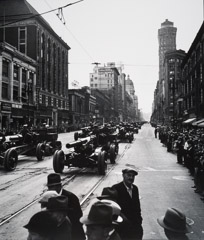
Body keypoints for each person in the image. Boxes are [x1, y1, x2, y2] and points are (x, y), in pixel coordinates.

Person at [47, 173, 85, 240]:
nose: (50, 189)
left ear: (59, 186)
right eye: (49, 187)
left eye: (52, 187)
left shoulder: (71, 197)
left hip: (74, 233)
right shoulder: (48, 197)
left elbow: (78, 216)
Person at [112, 167, 143, 240]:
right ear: (123, 176)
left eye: (133, 176)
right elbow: (113, 208)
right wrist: (122, 218)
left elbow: (137, 206)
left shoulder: (135, 188)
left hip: (135, 224)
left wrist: (139, 219)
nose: (131, 178)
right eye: (129, 175)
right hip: (122, 226)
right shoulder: (116, 188)